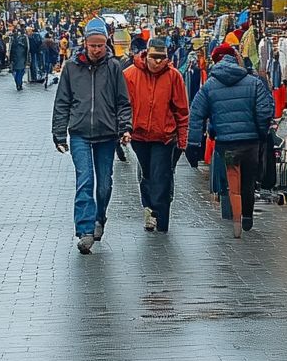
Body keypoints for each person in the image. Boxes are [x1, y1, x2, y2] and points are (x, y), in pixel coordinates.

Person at [51, 18, 132, 255]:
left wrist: (125, 127)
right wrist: (59, 133)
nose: (96, 50)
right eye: (92, 45)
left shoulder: (114, 67)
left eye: (100, 45)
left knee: (104, 184)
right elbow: (62, 102)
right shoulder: (72, 67)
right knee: (85, 180)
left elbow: (122, 101)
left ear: (106, 43)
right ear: (85, 43)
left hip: (107, 134)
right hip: (80, 133)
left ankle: (100, 217)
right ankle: (85, 231)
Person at [186, 43, 272, 238]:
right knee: (249, 180)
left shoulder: (209, 86)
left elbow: (196, 114)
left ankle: (236, 219)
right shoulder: (254, 82)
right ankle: (248, 215)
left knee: (233, 178)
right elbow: (264, 111)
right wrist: (261, 133)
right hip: (250, 142)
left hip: (227, 142)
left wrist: (193, 144)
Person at [125, 37, 189, 233]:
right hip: (139, 135)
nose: (158, 62)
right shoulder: (129, 75)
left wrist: (183, 138)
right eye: (154, 57)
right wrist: (124, 129)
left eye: (162, 58)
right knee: (147, 175)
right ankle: (150, 208)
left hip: (164, 136)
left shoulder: (174, 76)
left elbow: (181, 109)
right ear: (146, 55)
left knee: (160, 175)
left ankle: (160, 217)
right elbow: (123, 105)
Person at [9, 25, 29, 91]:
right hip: (22, 58)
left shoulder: (14, 41)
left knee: (17, 72)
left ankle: (18, 84)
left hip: (15, 58)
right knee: (20, 72)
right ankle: (19, 84)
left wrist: (10, 59)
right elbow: (27, 50)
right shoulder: (24, 41)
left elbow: (11, 50)